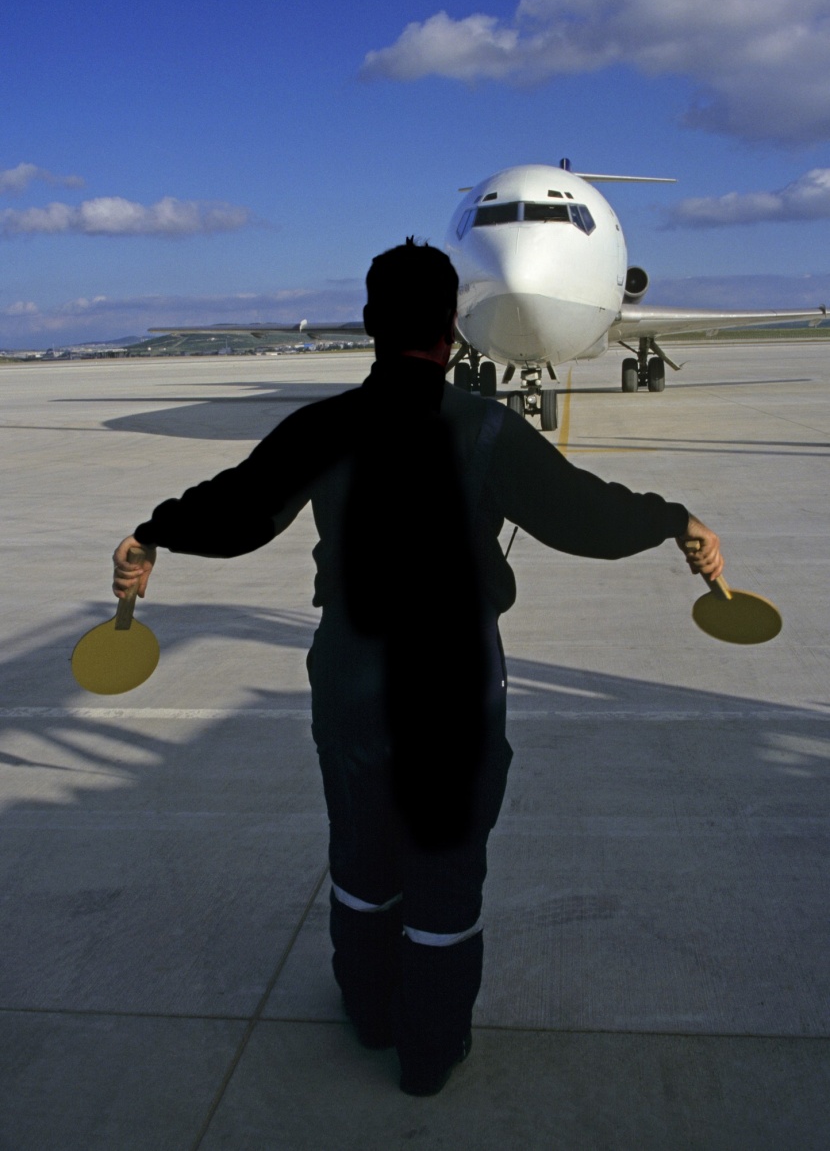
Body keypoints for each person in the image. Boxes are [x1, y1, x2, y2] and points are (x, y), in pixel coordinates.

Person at [113, 239, 722, 1096]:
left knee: (361, 851)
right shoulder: (486, 429)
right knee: (445, 863)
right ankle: (429, 1053)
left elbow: (238, 509)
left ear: (368, 324)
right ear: (449, 329)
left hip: (351, 673)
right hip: (452, 682)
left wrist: (153, 531)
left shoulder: (321, 427)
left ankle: (368, 1012)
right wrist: (676, 520)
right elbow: (585, 517)